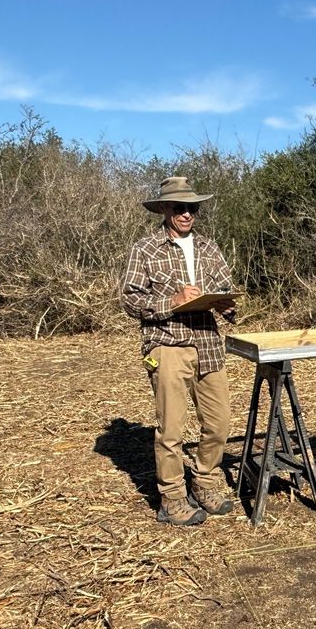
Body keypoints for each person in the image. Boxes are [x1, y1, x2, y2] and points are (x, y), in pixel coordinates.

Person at [122, 176, 238, 526]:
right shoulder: (145, 249)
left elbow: (225, 289)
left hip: (208, 343)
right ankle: (171, 498)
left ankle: (203, 482)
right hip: (167, 343)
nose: (187, 214)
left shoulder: (209, 247)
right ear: (163, 210)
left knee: (219, 424)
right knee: (171, 429)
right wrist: (172, 301)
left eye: (192, 208)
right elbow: (130, 299)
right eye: (179, 208)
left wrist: (226, 305)